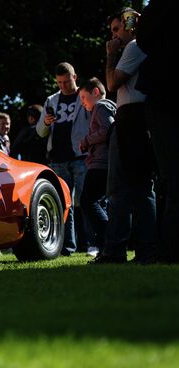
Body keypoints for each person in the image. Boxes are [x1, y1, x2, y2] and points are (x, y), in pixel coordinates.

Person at [92, 7, 157, 264]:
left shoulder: (132, 48)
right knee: (140, 188)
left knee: (121, 188)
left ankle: (116, 250)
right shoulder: (143, 46)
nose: (114, 37)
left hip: (131, 117)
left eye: (117, 29)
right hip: (138, 117)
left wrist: (110, 55)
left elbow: (111, 83)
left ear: (129, 26)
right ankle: (144, 251)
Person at [137, 0, 178, 263]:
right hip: (165, 97)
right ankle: (170, 249)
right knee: (174, 179)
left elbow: (144, 38)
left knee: (172, 179)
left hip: (161, 97)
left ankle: (169, 249)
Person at [36, 62, 91, 256]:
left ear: (74, 78)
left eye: (66, 82)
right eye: (59, 83)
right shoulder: (51, 100)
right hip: (58, 159)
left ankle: (91, 244)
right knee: (63, 205)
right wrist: (45, 122)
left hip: (81, 156)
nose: (63, 86)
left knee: (87, 201)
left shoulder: (84, 96)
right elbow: (40, 132)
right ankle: (67, 248)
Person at [78, 78, 116, 258]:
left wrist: (86, 140)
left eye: (84, 97)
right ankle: (106, 245)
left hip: (100, 164)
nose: (82, 102)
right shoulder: (103, 107)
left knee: (87, 201)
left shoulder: (100, 107)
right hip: (102, 162)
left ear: (95, 92)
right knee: (93, 202)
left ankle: (109, 240)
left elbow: (108, 128)